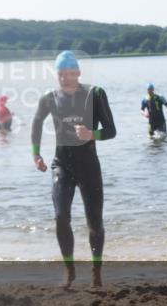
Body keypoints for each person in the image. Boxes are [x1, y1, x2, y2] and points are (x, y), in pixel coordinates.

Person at [31, 50, 116, 289]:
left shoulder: (95, 94)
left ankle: (96, 270)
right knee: (60, 216)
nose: (64, 78)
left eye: (69, 73)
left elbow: (111, 130)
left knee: (95, 223)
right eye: (60, 73)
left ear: (78, 73)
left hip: (89, 165)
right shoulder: (50, 97)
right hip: (62, 165)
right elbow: (37, 122)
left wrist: (92, 134)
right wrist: (36, 154)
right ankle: (69, 270)